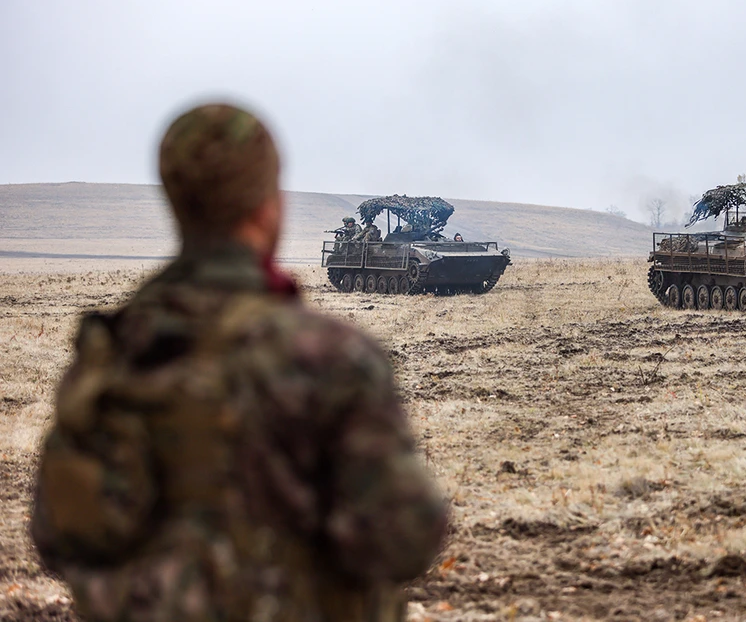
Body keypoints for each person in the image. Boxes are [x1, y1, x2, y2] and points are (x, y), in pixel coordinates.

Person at [30, 103, 447, 622]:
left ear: (179, 205)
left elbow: (57, 537)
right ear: (267, 207)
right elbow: (406, 538)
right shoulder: (331, 358)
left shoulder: (109, 356)